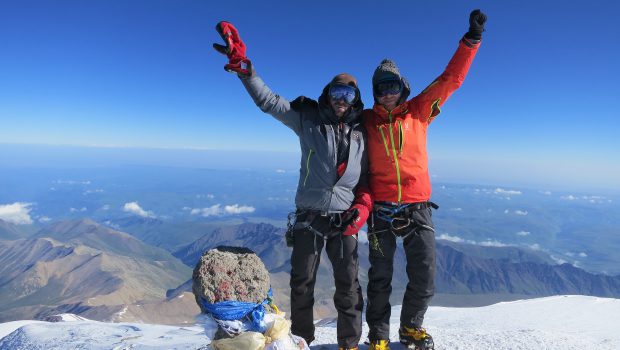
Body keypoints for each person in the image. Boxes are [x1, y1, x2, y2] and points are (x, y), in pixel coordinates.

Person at [213, 21, 372, 350]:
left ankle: (349, 344)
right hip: (309, 217)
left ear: (356, 99)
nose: (341, 100)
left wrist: (364, 205)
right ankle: (302, 342)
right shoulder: (308, 118)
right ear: (327, 94)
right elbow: (270, 102)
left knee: (349, 287)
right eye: (336, 93)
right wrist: (246, 71)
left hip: (345, 219)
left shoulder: (364, 131)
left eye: (348, 95)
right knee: (302, 286)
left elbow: (370, 177)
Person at [363, 10, 487, 350]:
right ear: (375, 93)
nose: (387, 94)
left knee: (425, 274)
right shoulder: (367, 121)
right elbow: (336, 116)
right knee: (379, 277)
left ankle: (411, 328)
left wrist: (471, 41)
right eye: (380, 88)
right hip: (381, 210)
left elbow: (451, 79)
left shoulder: (419, 110)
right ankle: (378, 335)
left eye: (391, 86)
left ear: (402, 88)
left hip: (417, 207)